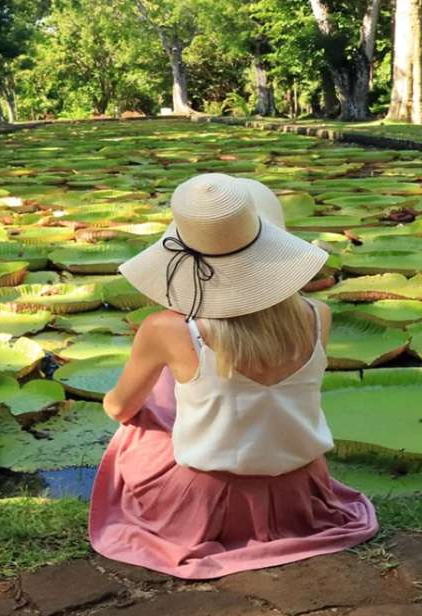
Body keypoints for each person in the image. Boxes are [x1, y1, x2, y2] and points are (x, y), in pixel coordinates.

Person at [88, 173, 377, 579]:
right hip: (303, 493)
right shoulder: (318, 316)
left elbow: (119, 408)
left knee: (142, 415)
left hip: (209, 505)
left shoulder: (166, 329)